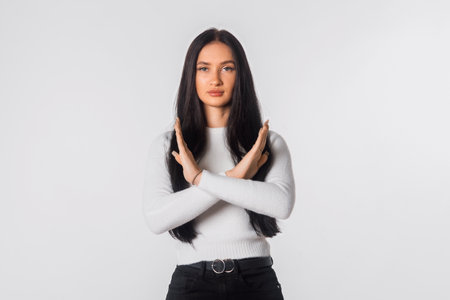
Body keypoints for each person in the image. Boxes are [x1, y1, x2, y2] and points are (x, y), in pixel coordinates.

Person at [143, 27, 296, 300]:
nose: (215, 79)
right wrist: (236, 175)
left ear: (241, 76)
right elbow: (157, 219)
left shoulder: (267, 144)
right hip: (191, 283)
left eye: (227, 68)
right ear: (191, 76)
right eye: (204, 69)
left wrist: (202, 179)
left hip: (255, 281)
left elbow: (281, 204)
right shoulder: (169, 146)